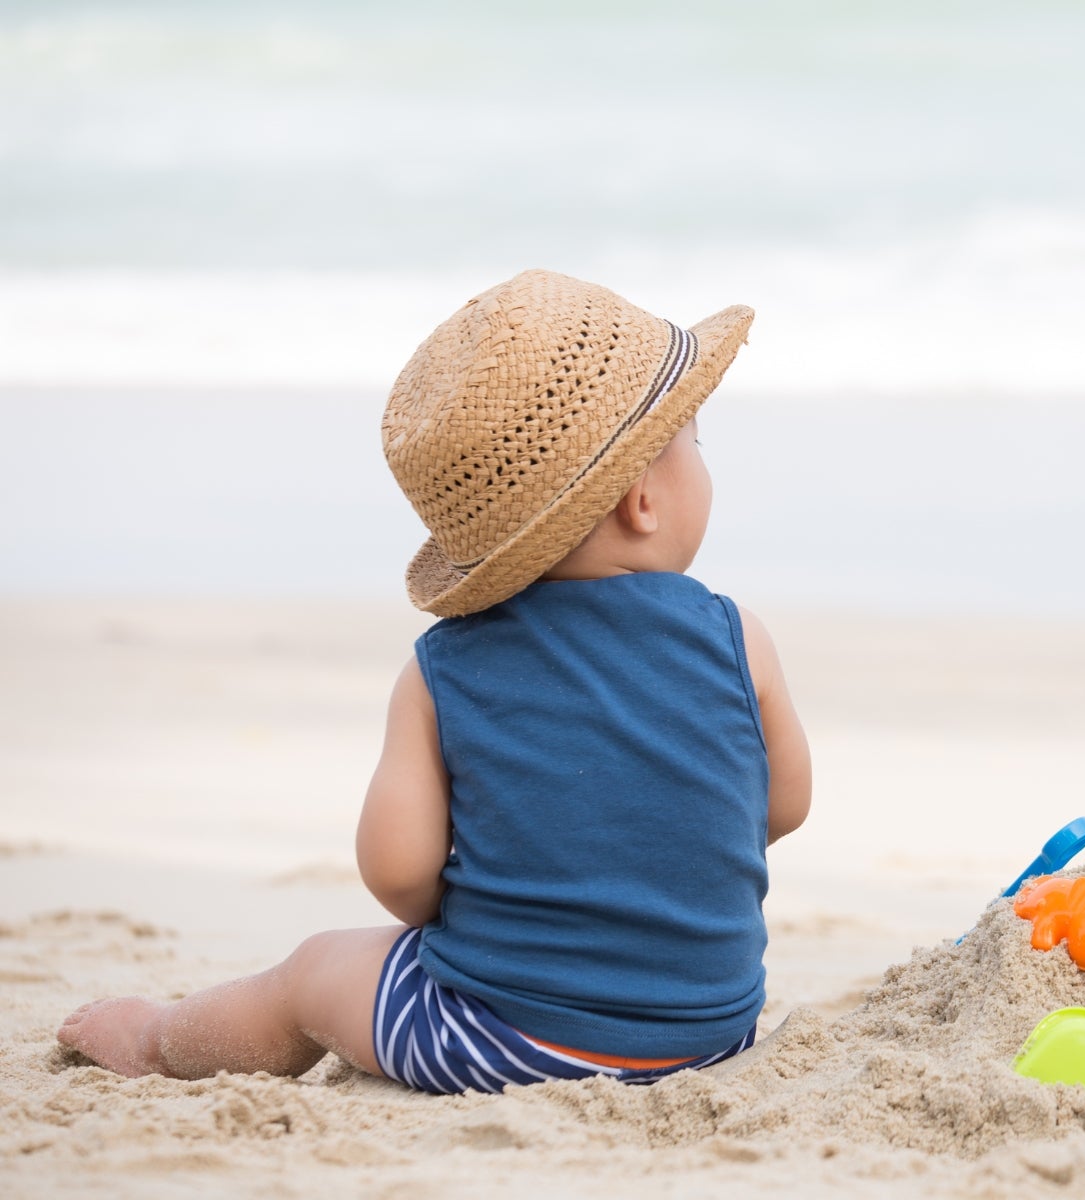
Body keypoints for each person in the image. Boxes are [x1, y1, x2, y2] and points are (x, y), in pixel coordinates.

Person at [58, 270, 810, 1093]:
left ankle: (161, 1043)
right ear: (642, 503)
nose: (704, 460)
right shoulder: (741, 638)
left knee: (309, 976)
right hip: (712, 1034)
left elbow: (400, 879)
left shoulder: (442, 669)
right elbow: (780, 808)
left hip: (498, 1045)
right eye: (696, 443)